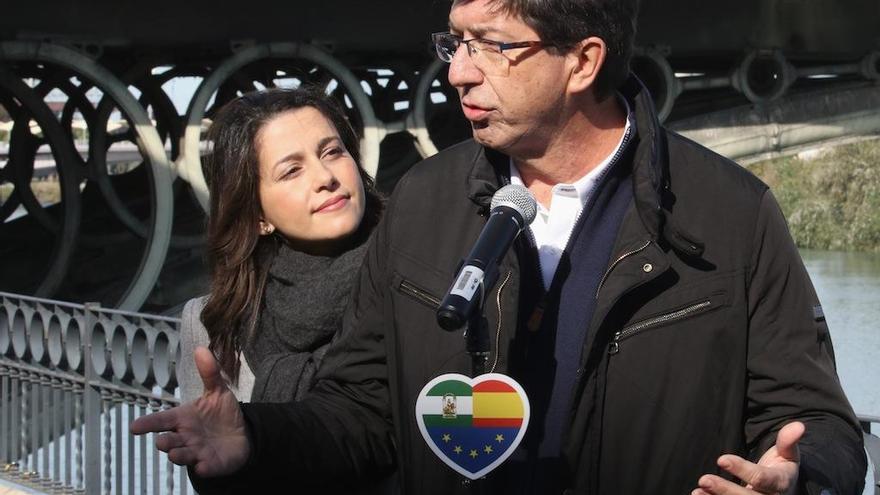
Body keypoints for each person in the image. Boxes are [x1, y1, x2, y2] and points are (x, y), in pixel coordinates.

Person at [134, 1, 867, 493]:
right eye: (455, 40)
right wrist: (255, 438)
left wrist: (802, 478)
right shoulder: (422, 202)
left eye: (493, 45)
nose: (457, 69)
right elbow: (361, 411)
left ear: (581, 62)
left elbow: (820, 422)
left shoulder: (731, 215)